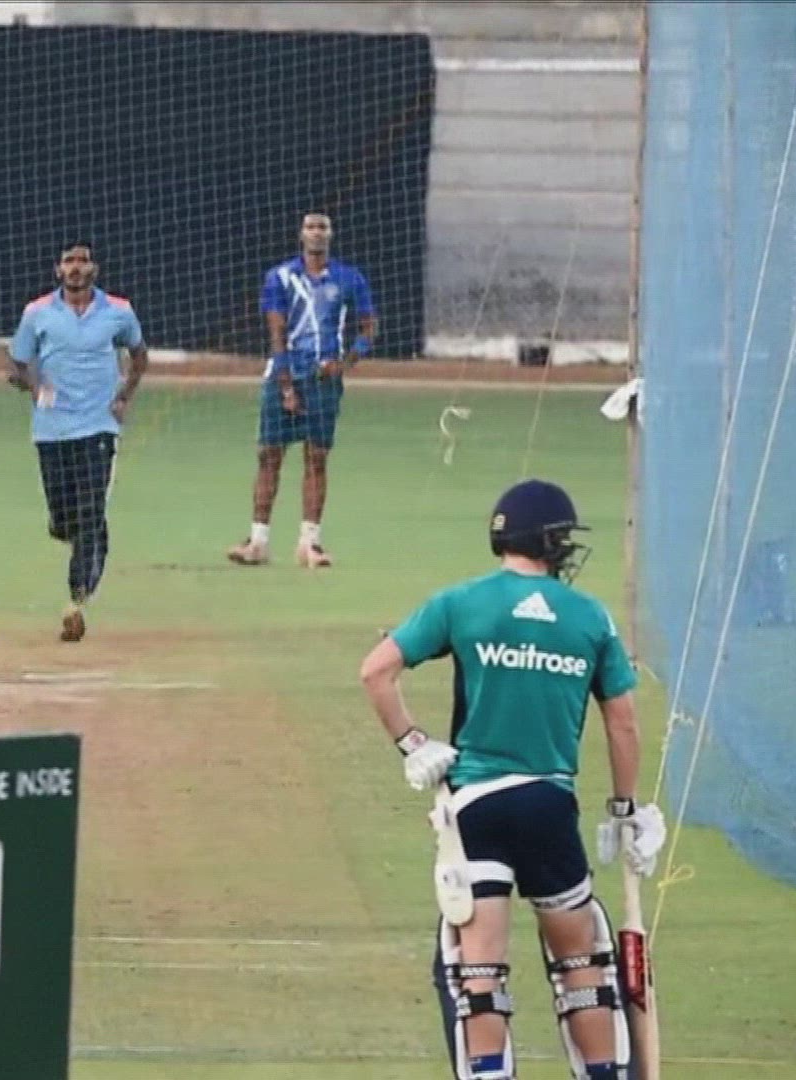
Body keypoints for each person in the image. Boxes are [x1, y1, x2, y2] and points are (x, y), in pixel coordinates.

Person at [357, 480, 667, 1080]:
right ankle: (603, 1072)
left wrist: (413, 744)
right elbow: (623, 723)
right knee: (580, 964)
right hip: (549, 804)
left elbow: (376, 672)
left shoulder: (460, 602)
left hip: (475, 805)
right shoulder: (591, 617)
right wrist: (625, 809)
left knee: (480, 969)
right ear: (550, 541)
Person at [7, 240, 148, 643]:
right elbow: (17, 364)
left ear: (94, 269)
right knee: (63, 519)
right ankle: (84, 537)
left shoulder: (118, 311)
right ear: (58, 270)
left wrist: (124, 396)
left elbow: (139, 356)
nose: (75, 267)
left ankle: (77, 601)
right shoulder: (37, 313)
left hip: (98, 426)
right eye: (69, 261)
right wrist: (36, 388)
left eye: (83, 260)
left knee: (90, 513)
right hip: (52, 429)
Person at [227, 212, 375, 570]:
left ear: (331, 234)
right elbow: (276, 332)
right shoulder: (280, 277)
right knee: (269, 455)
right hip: (285, 373)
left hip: (324, 380)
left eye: (323, 227)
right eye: (311, 227)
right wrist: (285, 383)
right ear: (301, 234)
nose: (317, 233)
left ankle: (310, 543)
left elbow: (369, 326)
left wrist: (346, 363)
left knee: (317, 457)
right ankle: (258, 541)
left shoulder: (349, 278)